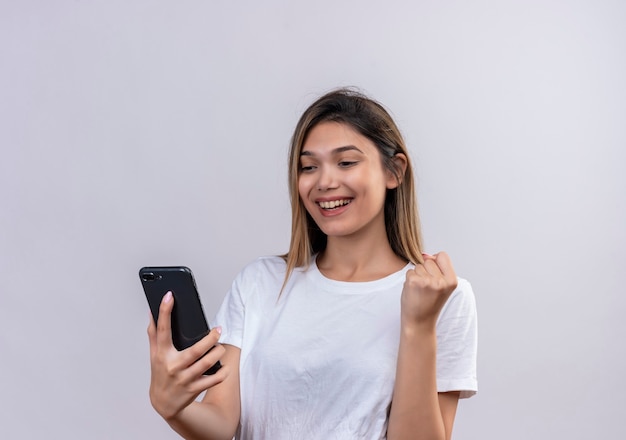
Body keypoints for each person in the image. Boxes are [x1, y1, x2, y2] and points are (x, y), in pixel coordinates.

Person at [147, 88, 478, 440]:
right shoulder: (260, 283)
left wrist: (418, 324)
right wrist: (173, 406)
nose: (325, 182)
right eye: (308, 167)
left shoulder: (442, 296)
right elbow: (219, 423)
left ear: (394, 171)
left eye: (346, 162)